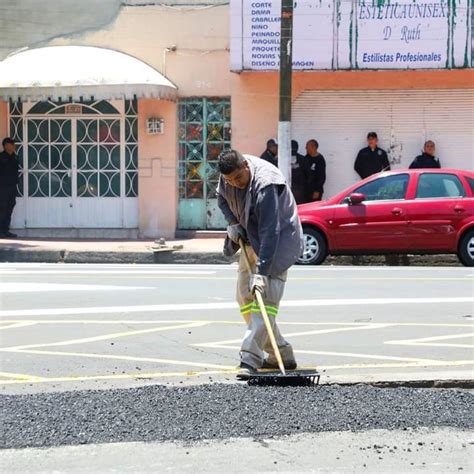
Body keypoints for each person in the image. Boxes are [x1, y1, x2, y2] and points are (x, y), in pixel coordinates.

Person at [217, 149, 303, 376]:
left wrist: (262, 272)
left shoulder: (266, 184)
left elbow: (270, 231)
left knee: (264, 302)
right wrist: (233, 222)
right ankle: (281, 354)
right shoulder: (227, 178)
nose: (234, 184)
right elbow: (222, 199)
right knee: (245, 297)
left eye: (238, 178)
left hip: (277, 243)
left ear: (246, 166)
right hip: (249, 237)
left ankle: (250, 359)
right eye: (229, 180)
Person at [0, 137, 19, 238]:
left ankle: (5, 230)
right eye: (12, 144)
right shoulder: (1, 157)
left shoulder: (15, 157)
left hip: (12, 186)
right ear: (6, 146)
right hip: (2, 187)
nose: (14, 146)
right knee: (2, 208)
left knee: (9, 208)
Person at [290, 140, 310, 204]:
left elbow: (309, 175)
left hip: (295, 189)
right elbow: (309, 175)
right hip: (300, 190)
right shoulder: (303, 159)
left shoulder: (283, 158)